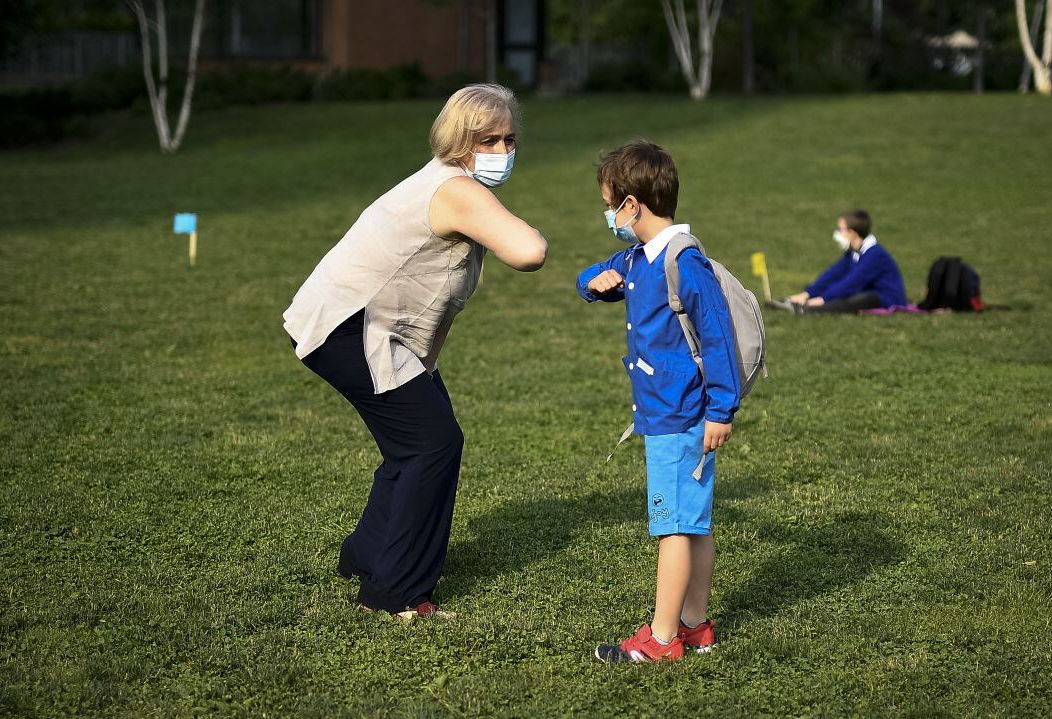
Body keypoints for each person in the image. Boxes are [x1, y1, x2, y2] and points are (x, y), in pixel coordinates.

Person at [283, 84, 547, 618]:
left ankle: (367, 555)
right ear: (458, 140)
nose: (501, 152)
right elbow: (529, 251)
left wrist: (427, 368)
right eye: (487, 140)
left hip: (368, 327)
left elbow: (442, 299)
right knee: (432, 444)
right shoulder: (458, 190)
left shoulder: (452, 185)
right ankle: (395, 593)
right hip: (347, 327)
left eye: (509, 139)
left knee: (419, 440)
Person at [575, 141, 740, 662]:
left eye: (609, 203)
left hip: (681, 415)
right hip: (670, 411)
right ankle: (695, 626)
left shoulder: (683, 262)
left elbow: (717, 337)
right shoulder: (636, 258)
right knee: (695, 523)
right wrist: (593, 283)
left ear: (632, 205)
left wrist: (721, 409)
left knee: (672, 527)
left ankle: (661, 639)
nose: (607, 214)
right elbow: (592, 275)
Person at [773, 209, 906, 314]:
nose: (837, 234)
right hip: (866, 291)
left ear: (852, 233)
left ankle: (807, 309)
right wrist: (808, 293)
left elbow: (852, 282)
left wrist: (821, 300)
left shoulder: (875, 255)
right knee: (838, 288)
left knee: (853, 297)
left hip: (887, 298)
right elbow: (833, 274)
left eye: (840, 229)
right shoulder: (853, 252)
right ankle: (797, 303)